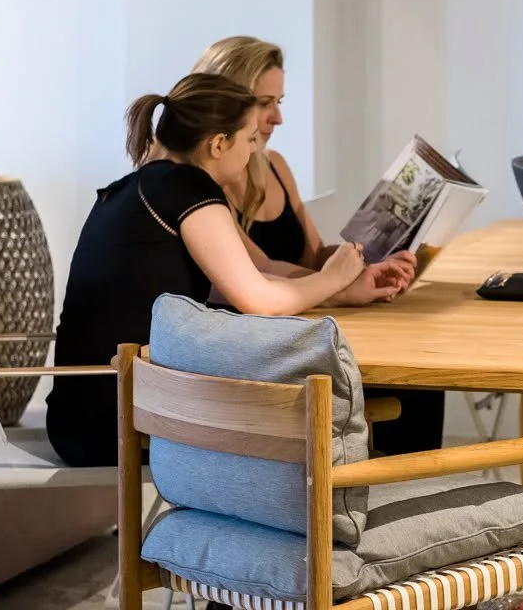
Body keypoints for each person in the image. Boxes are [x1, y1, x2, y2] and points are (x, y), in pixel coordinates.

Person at [45, 73, 405, 468]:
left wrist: (341, 291)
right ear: (218, 144)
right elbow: (258, 300)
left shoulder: (134, 188)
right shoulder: (188, 187)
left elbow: (237, 284)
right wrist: (332, 277)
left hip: (78, 421)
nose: (254, 151)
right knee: (354, 397)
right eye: (249, 139)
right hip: (120, 425)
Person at [190, 35, 447, 456]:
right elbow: (261, 271)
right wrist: (342, 284)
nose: (277, 118)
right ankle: (395, 485)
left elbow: (313, 255)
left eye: (279, 102)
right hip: (264, 347)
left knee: (423, 375)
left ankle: (404, 486)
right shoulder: (203, 187)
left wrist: (374, 254)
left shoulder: (275, 167)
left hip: (307, 326)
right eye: (265, 103)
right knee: (413, 382)